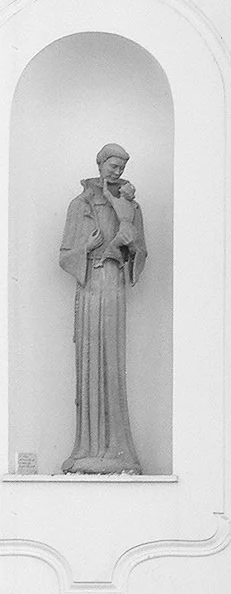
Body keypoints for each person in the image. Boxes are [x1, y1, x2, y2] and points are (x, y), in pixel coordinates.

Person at [58, 143, 146, 476]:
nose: (118, 171)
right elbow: (66, 254)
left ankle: (116, 448)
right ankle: (87, 448)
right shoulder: (79, 204)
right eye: (113, 165)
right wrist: (89, 246)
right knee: (89, 360)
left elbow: (140, 252)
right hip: (90, 284)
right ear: (100, 164)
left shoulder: (130, 206)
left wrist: (128, 242)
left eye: (122, 166)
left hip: (113, 285)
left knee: (111, 360)